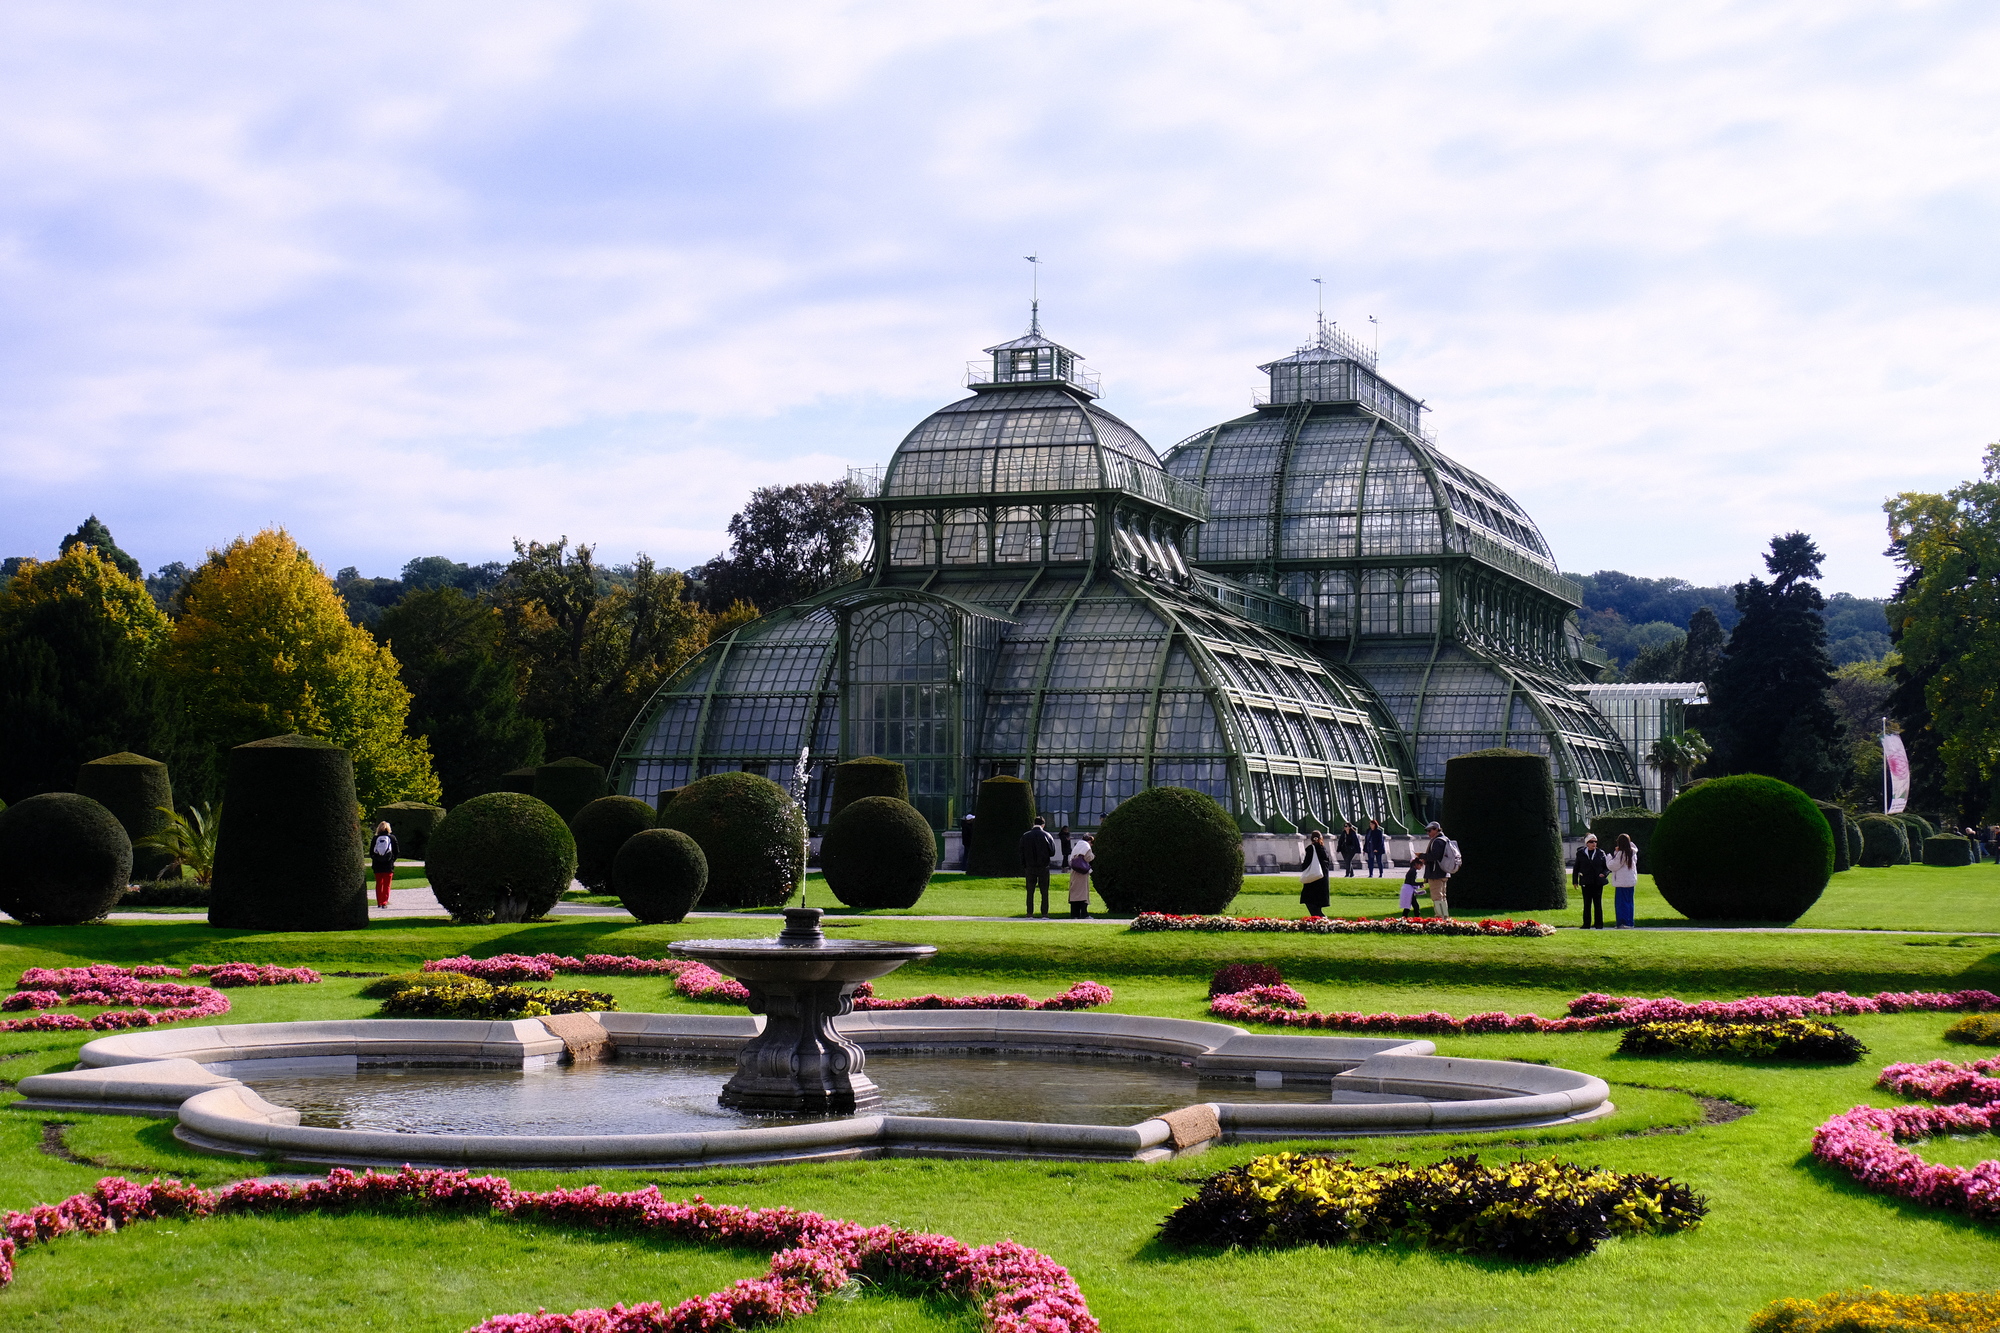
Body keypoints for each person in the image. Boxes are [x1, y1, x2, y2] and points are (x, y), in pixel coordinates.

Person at [1019, 816, 1058, 918]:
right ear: (1043, 825)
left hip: (1030, 867)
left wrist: (1025, 865)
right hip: (1043, 867)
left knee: (1030, 891)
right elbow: (1052, 852)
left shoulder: (1025, 836)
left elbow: (1021, 852)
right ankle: (1044, 913)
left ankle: (1029, 913)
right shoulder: (1047, 835)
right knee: (1044, 892)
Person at [1572, 833, 1609, 930]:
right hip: (1586, 881)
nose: (1594, 844)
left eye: (1595, 842)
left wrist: (1604, 874)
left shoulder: (1601, 853)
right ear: (1587, 843)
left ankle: (1599, 924)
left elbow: (1607, 867)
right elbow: (1576, 867)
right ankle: (1586, 924)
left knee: (1597, 903)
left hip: (1597, 882)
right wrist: (1575, 881)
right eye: (1591, 842)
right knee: (1587, 903)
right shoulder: (1580, 853)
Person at [1422, 821, 1456, 919]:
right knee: (1443, 896)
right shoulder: (1445, 839)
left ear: (1436, 829)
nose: (1428, 833)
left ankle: (1439, 917)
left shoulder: (1437, 841)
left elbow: (1435, 856)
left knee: (1437, 897)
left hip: (1435, 873)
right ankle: (1445, 916)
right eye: (1427, 831)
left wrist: (1422, 856)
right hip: (1444, 873)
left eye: (1429, 830)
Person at [1299, 829, 1334, 918]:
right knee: (1317, 906)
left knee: (1310, 903)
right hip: (1322, 880)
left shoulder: (1311, 849)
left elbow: (1305, 864)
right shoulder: (1323, 850)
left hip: (1313, 880)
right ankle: (1320, 922)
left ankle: (1322, 921)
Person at [1609, 832, 1640, 928]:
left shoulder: (1621, 854)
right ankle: (1630, 922)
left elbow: (1613, 866)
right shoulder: (1632, 853)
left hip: (1621, 881)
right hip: (1630, 880)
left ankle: (1623, 922)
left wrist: (1609, 857)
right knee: (1629, 902)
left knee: (1621, 904)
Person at [369, 821, 399, 909]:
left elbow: (371, 852)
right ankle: (384, 902)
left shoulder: (375, 838)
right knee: (387, 884)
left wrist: (376, 859)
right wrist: (392, 860)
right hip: (388, 864)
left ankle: (379, 902)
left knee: (379, 884)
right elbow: (396, 851)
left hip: (377, 865)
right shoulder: (392, 838)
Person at [1066, 837, 1094, 918]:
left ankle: (1074, 914)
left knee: (1074, 893)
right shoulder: (1086, 847)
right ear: (1089, 841)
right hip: (1082, 872)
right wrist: (1093, 856)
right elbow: (1088, 858)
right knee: (1083, 893)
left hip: (1075, 871)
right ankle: (1084, 914)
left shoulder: (1077, 845)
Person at [1399, 853, 1427, 917]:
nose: (1421, 867)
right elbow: (1412, 882)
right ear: (1416, 864)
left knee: (1408, 906)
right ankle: (1416, 917)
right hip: (1408, 890)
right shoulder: (1413, 871)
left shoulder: (1412, 870)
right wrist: (1421, 883)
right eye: (1420, 865)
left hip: (1407, 889)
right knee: (1414, 905)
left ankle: (1405, 917)